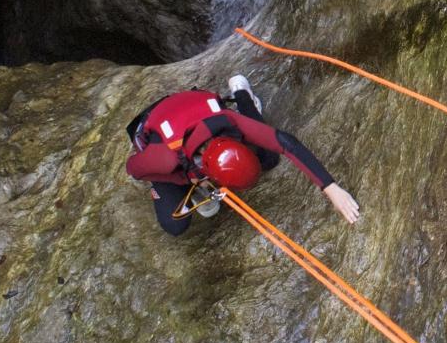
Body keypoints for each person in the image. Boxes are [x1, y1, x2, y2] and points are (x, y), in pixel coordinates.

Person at [125, 74, 361, 235]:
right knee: (175, 225)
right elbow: (134, 169)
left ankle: (242, 93)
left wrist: (331, 189)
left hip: (196, 106)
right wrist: (186, 178)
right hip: (157, 126)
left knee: (269, 158)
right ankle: (191, 187)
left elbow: (287, 143)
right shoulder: (166, 158)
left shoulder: (230, 122)